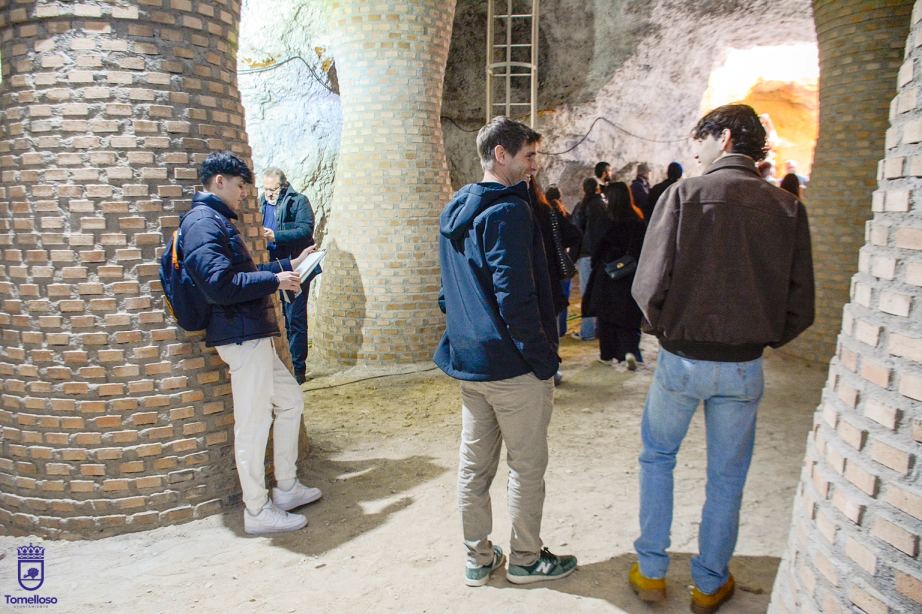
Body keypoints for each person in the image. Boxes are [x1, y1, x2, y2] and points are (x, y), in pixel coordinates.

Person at [628, 104, 814, 612]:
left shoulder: (683, 194)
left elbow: (648, 284)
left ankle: (650, 572)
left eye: (700, 139)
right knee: (727, 477)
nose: (694, 150)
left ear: (725, 136)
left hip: (681, 361)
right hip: (743, 366)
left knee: (657, 457)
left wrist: (666, 330)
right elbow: (801, 303)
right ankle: (709, 583)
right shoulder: (786, 207)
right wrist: (759, 337)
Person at [434, 116, 578, 588]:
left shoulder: (456, 206)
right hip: (513, 368)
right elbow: (515, 297)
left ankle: (477, 558)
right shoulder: (509, 212)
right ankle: (524, 558)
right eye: (529, 156)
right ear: (501, 155)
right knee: (526, 466)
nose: (534, 165)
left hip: (470, 364)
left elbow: (446, 294)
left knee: (474, 468)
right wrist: (542, 360)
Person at [182, 152, 324, 535]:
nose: (246, 194)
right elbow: (220, 285)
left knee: (291, 401)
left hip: (251, 332)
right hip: (239, 335)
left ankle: (287, 488)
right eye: (242, 185)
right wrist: (274, 282)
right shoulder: (201, 223)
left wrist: (287, 266)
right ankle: (257, 511)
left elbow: (240, 274)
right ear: (219, 182)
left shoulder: (215, 221)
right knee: (253, 422)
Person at [260, 167, 316, 385]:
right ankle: (284, 365)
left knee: (296, 317)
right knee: (280, 315)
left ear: (283, 187)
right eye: (265, 189)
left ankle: (298, 369)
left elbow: (305, 230)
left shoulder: (298, 202)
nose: (269, 194)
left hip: (296, 267)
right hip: (274, 266)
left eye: (272, 190)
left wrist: (276, 236)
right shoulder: (261, 203)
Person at [583, 182, 646, 369]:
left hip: (608, 275)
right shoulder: (637, 218)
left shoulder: (606, 220)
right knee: (628, 316)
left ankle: (608, 354)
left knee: (607, 316)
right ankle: (629, 352)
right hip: (631, 275)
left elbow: (597, 247)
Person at [528, 179, 581, 385]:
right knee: (548, 324)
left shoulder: (511, 211)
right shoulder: (547, 211)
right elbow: (574, 234)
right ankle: (551, 369)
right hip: (548, 276)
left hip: (524, 279)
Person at [570, 177, 608, 341]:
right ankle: (602, 329)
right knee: (602, 292)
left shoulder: (582, 206)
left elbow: (576, 231)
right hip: (603, 255)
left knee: (587, 294)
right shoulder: (604, 205)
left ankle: (587, 332)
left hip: (586, 254)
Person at [545, 185, 580, 338]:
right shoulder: (562, 213)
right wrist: (563, 245)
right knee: (564, 296)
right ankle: (562, 329)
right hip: (563, 263)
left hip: (548, 264)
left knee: (550, 297)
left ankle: (552, 329)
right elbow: (576, 234)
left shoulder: (542, 213)